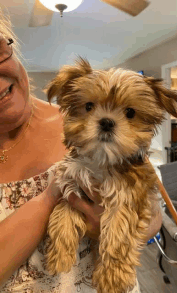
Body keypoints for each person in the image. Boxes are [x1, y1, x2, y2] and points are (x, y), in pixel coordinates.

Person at [0, 10, 162, 293]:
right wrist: (55, 200)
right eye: (89, 107)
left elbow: (153, 212)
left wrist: (126, 224)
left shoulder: (109, 143)